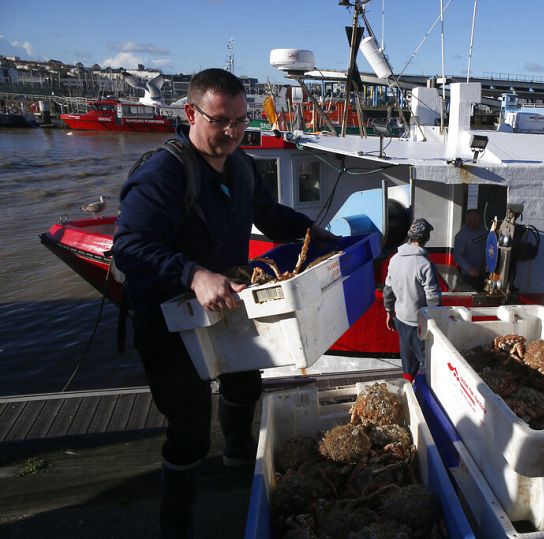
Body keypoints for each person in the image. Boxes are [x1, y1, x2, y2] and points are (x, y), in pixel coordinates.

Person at [113, 68, 336, 537]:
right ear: (191, 113)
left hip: (230, 305)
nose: (233, 132)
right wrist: (192, 274)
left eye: (241, 121)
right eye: (221, 122)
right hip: (168, 317)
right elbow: (129, 247)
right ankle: (177, 523)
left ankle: (238, 465)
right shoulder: (162, 174)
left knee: (243, 387)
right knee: (189, 428)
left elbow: (269, 215)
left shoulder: (241, 164)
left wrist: (320, 237)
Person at [383, 218, 441, 382]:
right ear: (426, 238)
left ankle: (409, 390)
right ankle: (425, 396)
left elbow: (388, 289)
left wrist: (388, 311)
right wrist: (437, 320)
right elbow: (433, 297)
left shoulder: (394, 259)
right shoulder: (424, 264)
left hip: (400, 319)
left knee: (408, 365)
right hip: (419, 325)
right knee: (429, 363)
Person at [453, 208, 488, 290]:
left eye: (475, 221)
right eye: (470, 221)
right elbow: (457, 255)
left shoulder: (484, 232)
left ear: (480, 220)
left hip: (483, 274)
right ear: (466, 220)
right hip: (468, 276)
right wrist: (469, 269)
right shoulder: (461, 235)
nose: (472, 223)